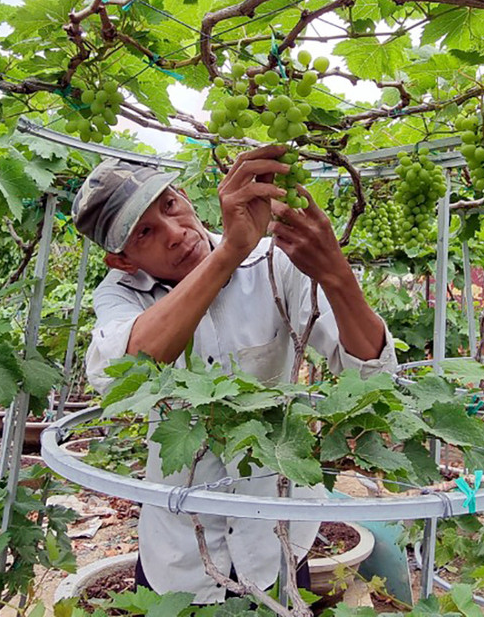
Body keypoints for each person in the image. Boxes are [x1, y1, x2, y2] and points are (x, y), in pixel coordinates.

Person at [73, 144, 397, 601]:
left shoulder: (276, 263)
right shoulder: (120, 296)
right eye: (146, 232)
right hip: (178, 554)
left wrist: (336, 272)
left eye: (170, 206)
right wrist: (228, 252)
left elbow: (368, 375)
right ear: (123, 261)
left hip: (278, 540)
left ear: (184, 195)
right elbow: (119, 371)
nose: (174, 232)